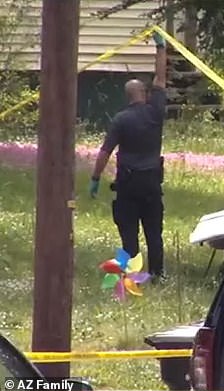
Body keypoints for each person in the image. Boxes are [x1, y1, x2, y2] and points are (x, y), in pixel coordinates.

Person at [89, 31, 167, 282]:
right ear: (144, 93)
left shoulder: (121, 119)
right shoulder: (155, 112)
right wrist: (161, 49)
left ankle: (131, 273)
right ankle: (157, 273)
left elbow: (105, 151)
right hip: (152, 182)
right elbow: (162, 78)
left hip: (128, 183)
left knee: (128, 231)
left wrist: (95, 178)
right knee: (154, 231)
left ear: (127, 96)